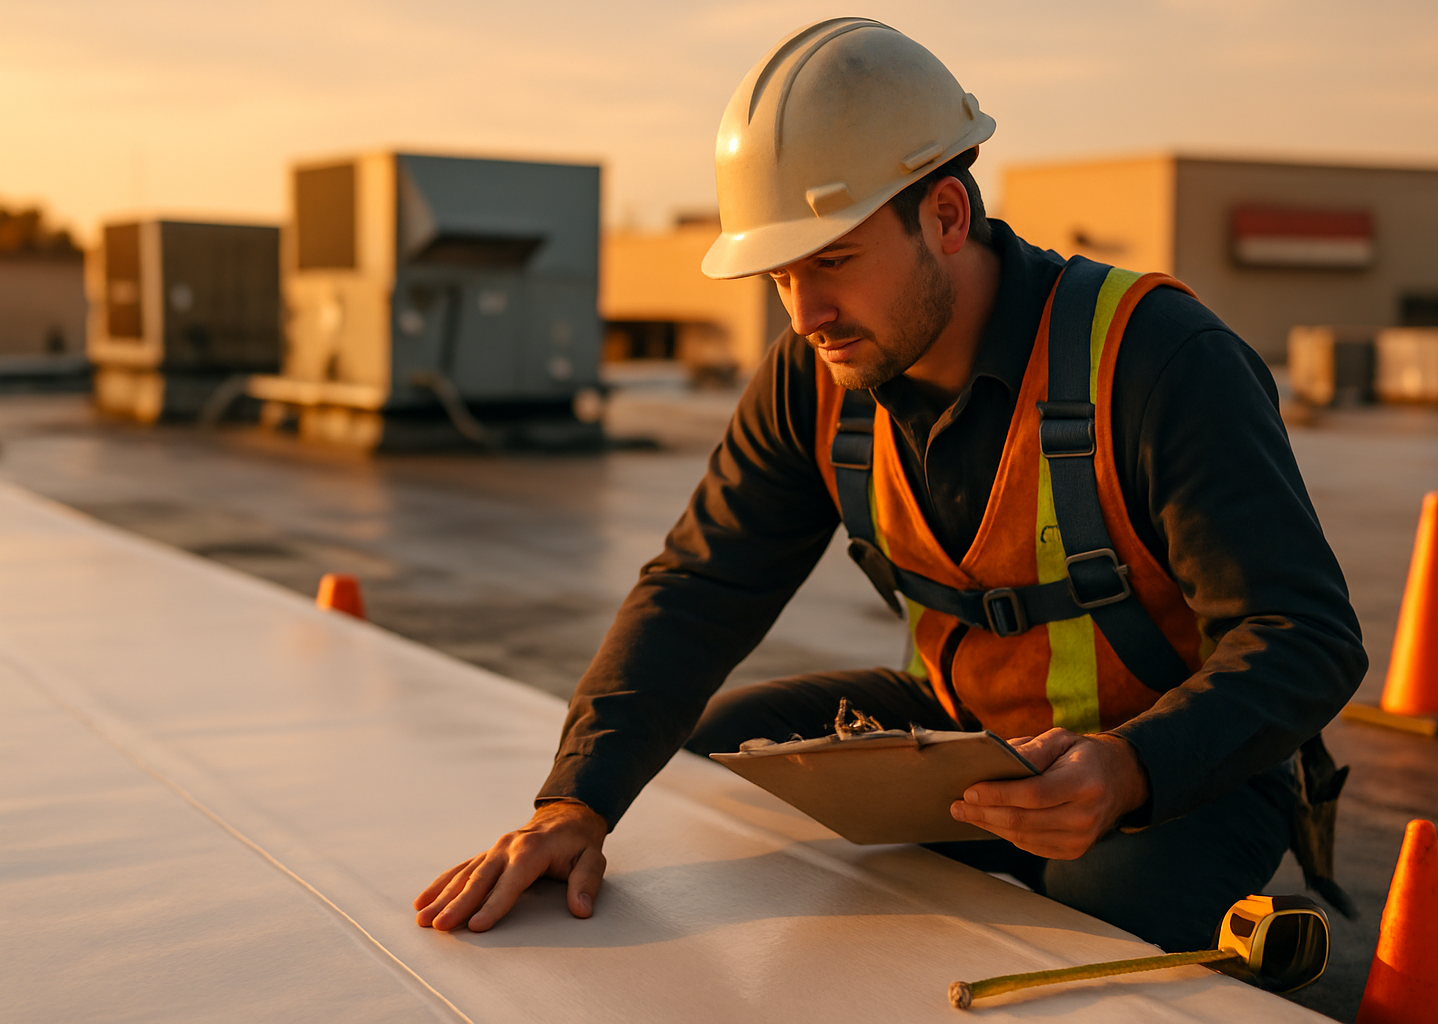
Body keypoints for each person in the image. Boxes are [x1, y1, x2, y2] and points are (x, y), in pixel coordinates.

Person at [414, 18, 1366, 952]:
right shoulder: (817, 373)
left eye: (832, 261)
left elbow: (1306, 636)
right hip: (965, 742)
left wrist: (1130, 769)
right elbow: (702, 586)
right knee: (713, 763)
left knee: (1092, 903)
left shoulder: (1157, 360)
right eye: (781, 274)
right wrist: (572, 803)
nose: (807, 312)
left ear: (947, 216)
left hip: (1176, 767)